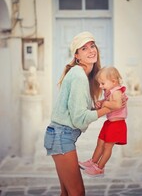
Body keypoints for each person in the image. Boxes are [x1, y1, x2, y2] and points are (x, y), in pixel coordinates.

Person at [44, 32, 114, 196]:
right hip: (61, 137)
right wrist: (109, 108)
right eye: (84, 48)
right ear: (77, 55)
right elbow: (79, 119)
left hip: (59, 135)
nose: (91, 50)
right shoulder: (78, 75)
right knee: (77, 192)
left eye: (92, 45)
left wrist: (100, 106)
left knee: (67, 193)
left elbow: (78, 112)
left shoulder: (82, 75)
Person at [79, 66, 128, 177]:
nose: (100, 86)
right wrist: (101, 102)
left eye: (102, 83)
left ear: (114, 81)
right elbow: (108, 101)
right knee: (100, 142)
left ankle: (100, 168)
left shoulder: (117, 92)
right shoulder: (110, 92)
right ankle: (93, 162)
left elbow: (117, 105)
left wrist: (105, 103)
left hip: (117, 124)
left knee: (107, 146)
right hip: (110, 123)